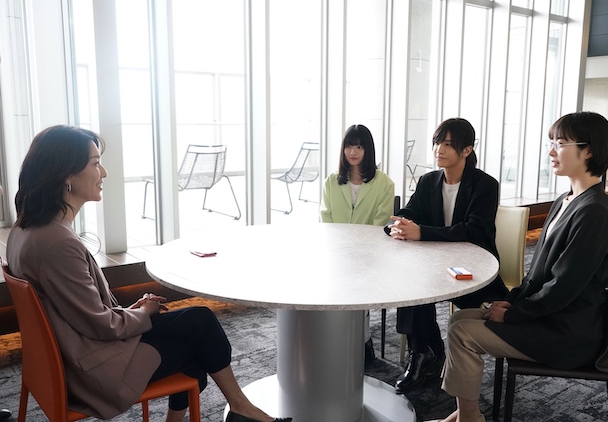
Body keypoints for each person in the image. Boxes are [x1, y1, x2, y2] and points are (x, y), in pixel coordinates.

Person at [5, 125, 291, 422]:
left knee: (199, 320)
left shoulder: (24, 230)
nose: (104, 173)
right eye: (95, 163)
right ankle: (241, 409)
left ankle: (240, 409)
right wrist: (142, 313)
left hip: (74, 352)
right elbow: (101, 326)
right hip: (94, 366)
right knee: (198, 345)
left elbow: (75, 312)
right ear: (66, 175)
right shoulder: (58, 244)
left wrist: (135, 310)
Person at [427, 111, 608, 422]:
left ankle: (469, 418)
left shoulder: (594, 211)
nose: (551, 152)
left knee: (462, 332)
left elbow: (563, 287)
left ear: (589, 151)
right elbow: (539, 274)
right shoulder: (567, 200)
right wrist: (512, 301)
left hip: (566, 334)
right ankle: (464, 415)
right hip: (547, 318)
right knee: (460, 318)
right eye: (551, 144)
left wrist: (514, 315)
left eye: (560, 144)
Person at [384, 118, 508, 394]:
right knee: (412, 283)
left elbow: (474, 230)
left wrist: (422, 232)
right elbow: (411, 212)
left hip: (475, 271)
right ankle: (422, 352)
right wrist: (398, 224)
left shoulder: (485, 185)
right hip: (435, 267)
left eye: (448, 144)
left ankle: (431, 352)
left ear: (467, 150)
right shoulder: (428, 181)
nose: (439, 149)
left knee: (420, 283)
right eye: (437, 142)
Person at [320, 124, 395, 365]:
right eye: (349, 146)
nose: (353, 152)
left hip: (370, 254)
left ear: (368, 150)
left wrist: (358, 252)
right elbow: (326, 220)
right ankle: (347, 341)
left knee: (358, 283)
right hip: (336, 253)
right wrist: (338, 251)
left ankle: (360, 341)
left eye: (359, 147)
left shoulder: (384, 183)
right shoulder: (331, 182)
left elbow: (380, 225)